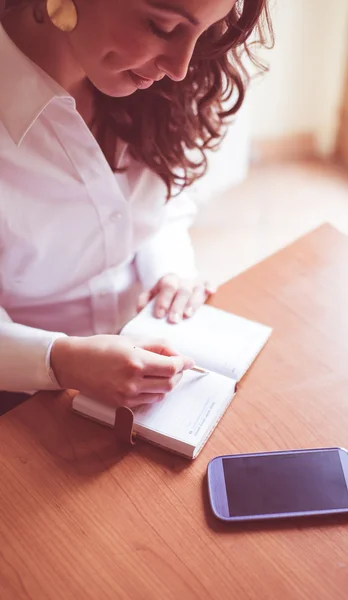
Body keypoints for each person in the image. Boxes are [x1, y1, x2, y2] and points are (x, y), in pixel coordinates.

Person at [0, 0, 271, 409]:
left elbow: (159, 204)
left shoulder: (150, 90)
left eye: (201, 32)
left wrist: (171, 271)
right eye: (162, 27)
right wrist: (60, 360)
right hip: (22, 398)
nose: (180, 67)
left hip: (142, 343)